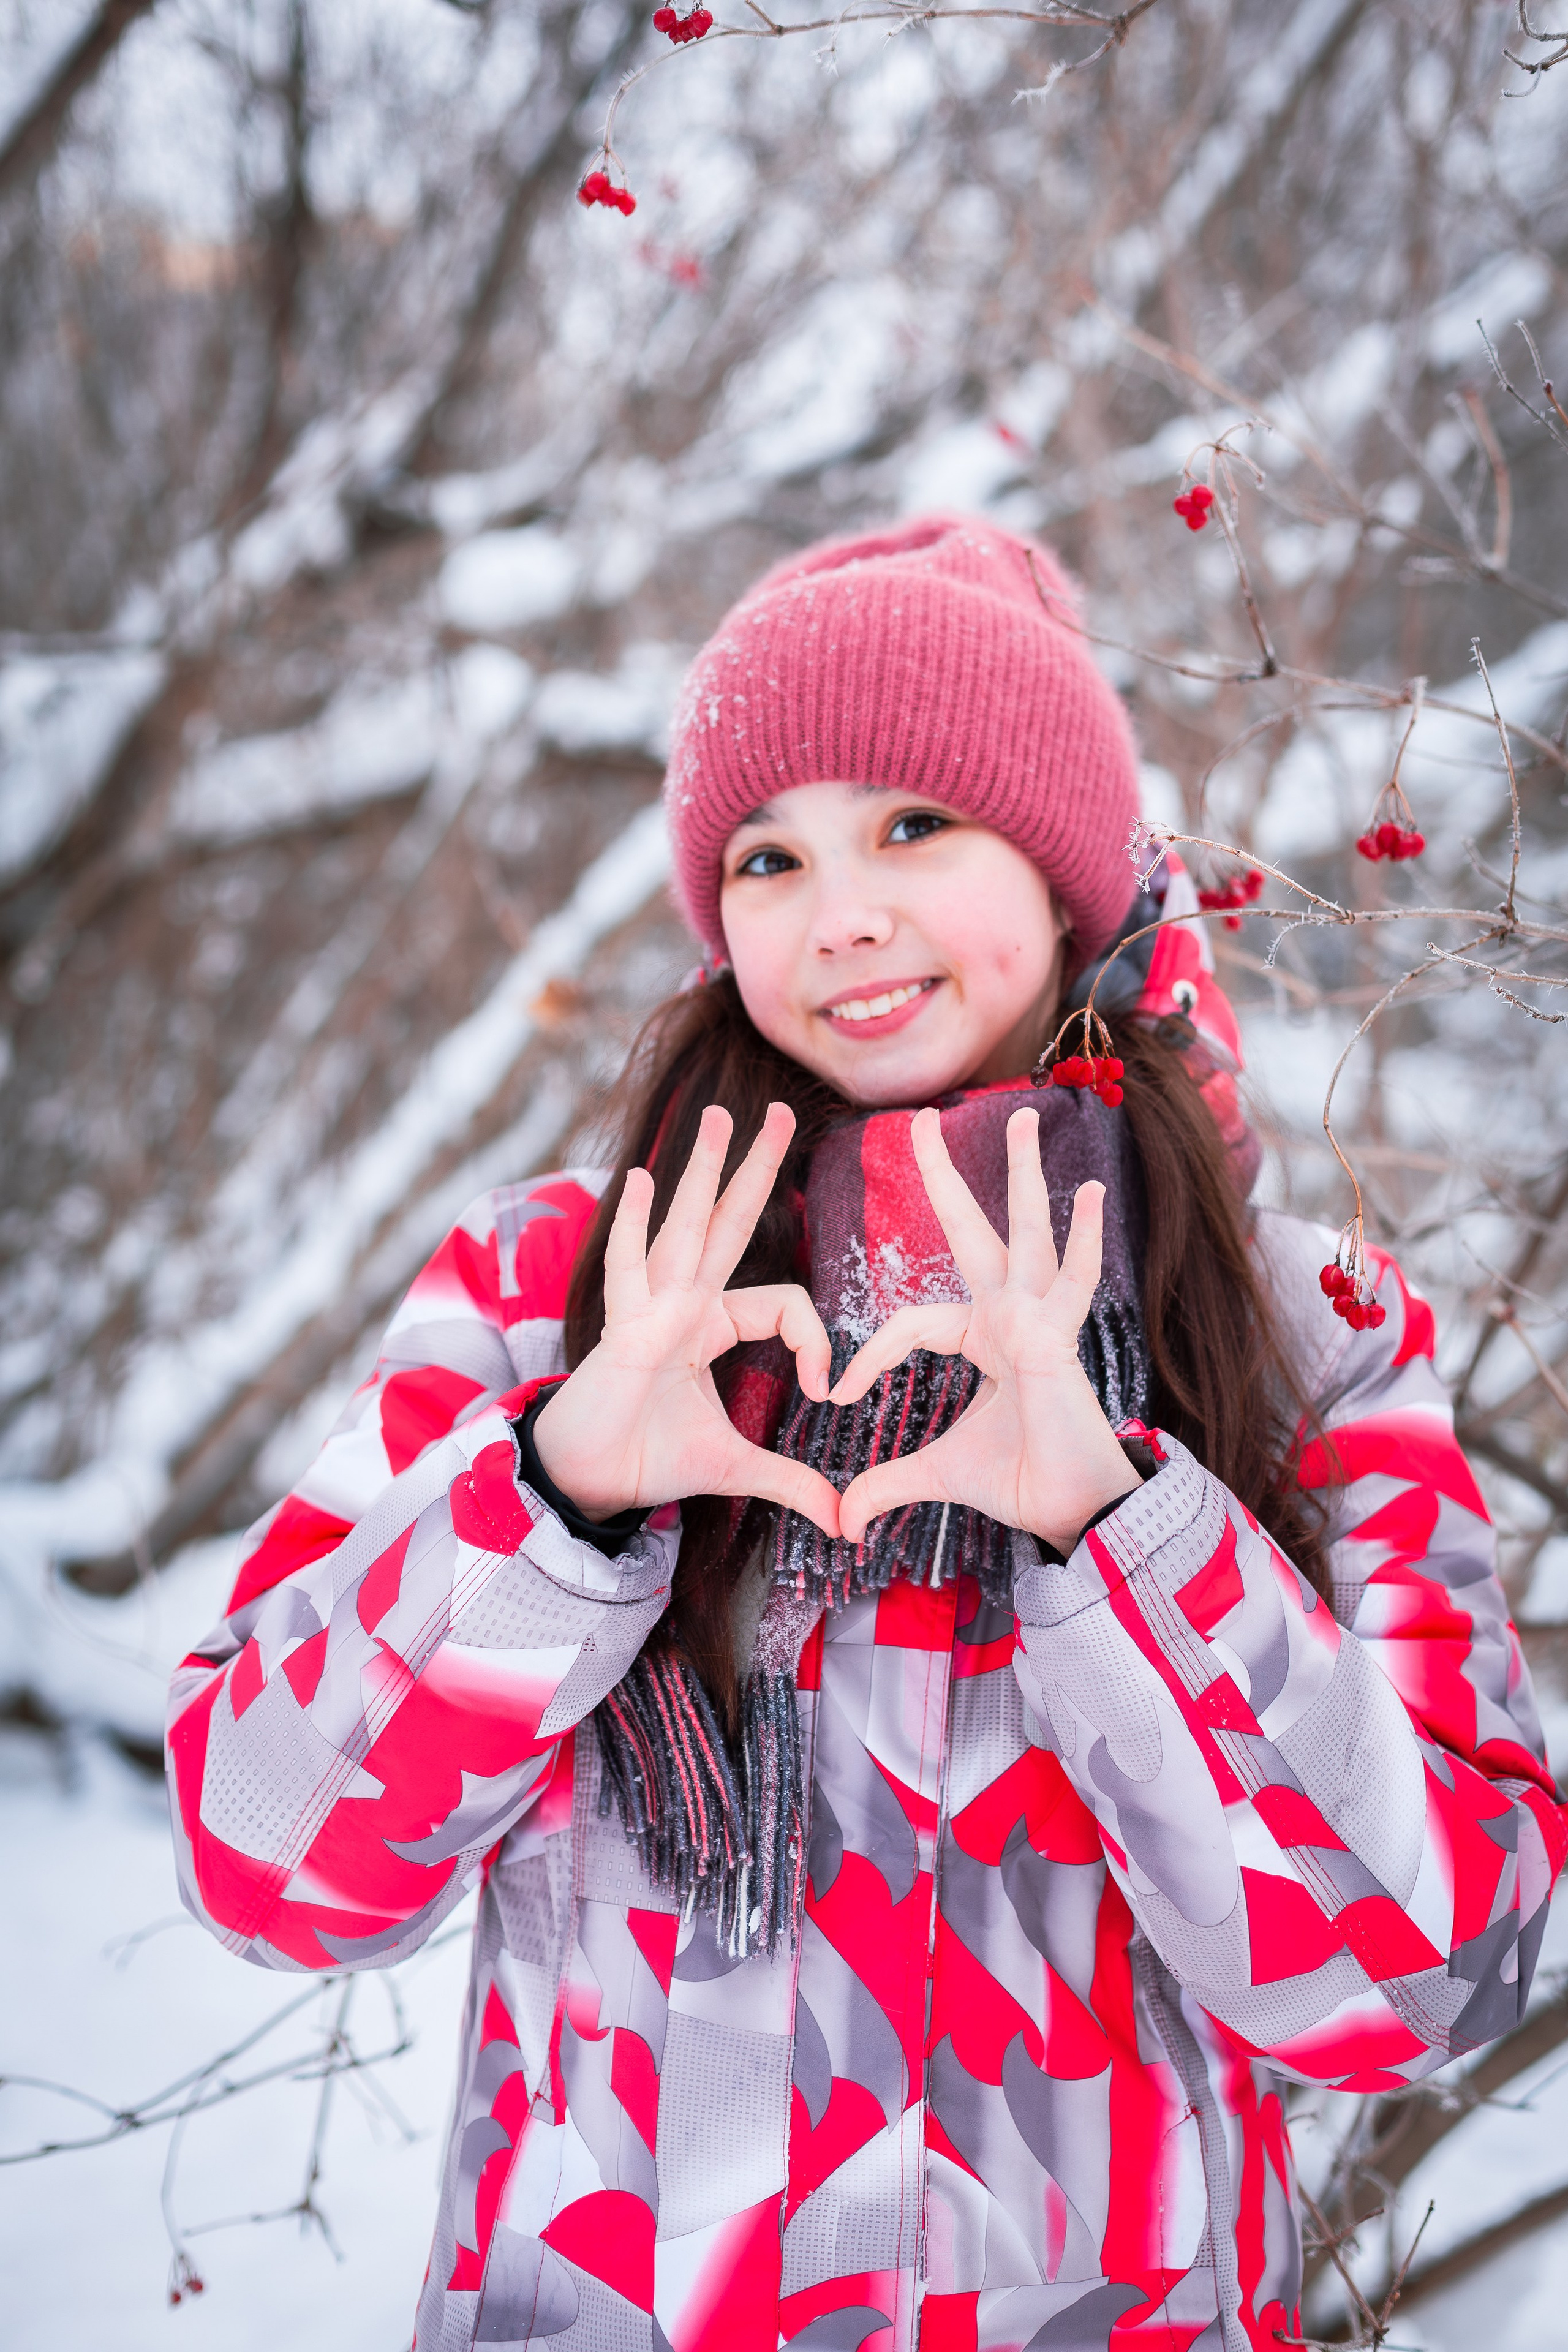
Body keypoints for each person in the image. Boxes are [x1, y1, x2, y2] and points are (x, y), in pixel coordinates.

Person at [167, 516, 1565, 2352]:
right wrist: (560, 1499)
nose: (841, 917)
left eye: (916, 824)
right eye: (770, 854)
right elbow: (265, 1868)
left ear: (1064, 869)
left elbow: (1431, 1980)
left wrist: (1115, 1528)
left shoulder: (1303, 1333)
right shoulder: (551, 1292)